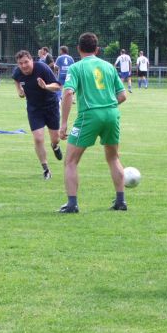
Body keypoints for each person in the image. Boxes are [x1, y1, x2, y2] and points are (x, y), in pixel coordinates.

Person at [58, 32, 128, 213]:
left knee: (71, 161)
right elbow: (122, 95)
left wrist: (63, 124)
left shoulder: (76, 67)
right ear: (97, 49)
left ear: (78, 49)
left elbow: (67, 93)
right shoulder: (109, 67)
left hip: (89, 115)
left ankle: (72, 204)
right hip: (112, 113)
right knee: (113, 157)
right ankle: (121, 201)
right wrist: (107, 105)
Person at [12, 50, 63, 180]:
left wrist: (45, 86)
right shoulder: (18, 72)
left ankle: (54, 146)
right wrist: (20, 92)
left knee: (55, 138)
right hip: (34, 109)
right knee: (38, 138)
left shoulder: (42, 68)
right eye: (20, 63)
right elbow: (17, 82)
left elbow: (58, 86)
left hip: (51, 106)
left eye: (26, 62)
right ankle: (46, 169)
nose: (23, 66)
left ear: (31, 60)